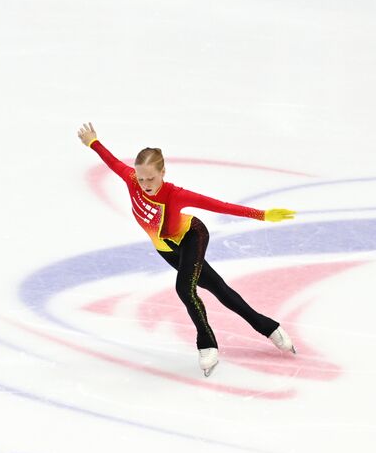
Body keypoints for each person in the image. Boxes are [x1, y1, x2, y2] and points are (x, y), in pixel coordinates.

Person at [77, 121, 298, 377]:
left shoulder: (175, 194)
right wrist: (93, 142)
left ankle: (207, 342)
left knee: (184, 288)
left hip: (192, 236)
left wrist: (261, 215)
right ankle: (269, 327)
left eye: (151, 177)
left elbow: (218, 205)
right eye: (141, 178)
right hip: (168, 250)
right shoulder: (132, 180)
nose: (146, 183)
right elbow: (113, 162)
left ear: (163, 172)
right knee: (219, 289)